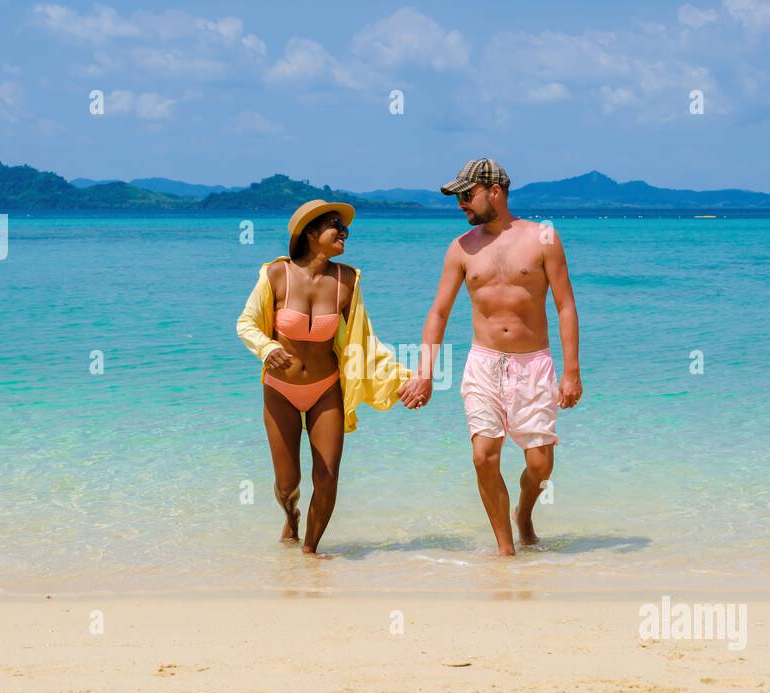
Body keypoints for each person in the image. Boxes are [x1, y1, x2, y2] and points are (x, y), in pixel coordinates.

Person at [400, 158, 582, 556]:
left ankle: (524, 514)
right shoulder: (461, 248)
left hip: (533, 364)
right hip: (484, 363)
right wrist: (424, 374)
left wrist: (571, 372)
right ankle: (506, 551)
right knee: (484, 456)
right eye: (458, 197)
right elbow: (439, 313)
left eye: (467, 195)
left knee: (539, 465)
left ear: (494, 191)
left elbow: (565, 306)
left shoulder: (544, 237)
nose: (461, 204)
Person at [237, 199, 412, 554]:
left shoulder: (347, 280)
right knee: (288, 483)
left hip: (326, 389)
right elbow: (246, 323)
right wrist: (267, 348)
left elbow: (364, 340)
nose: (344, 233)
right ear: (311, 233)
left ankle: (310, 553)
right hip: (281, 390)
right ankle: (291, 516)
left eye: (346, 228)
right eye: (336, 226)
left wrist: (403, 378)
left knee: (327, 476)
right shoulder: (275, 274)